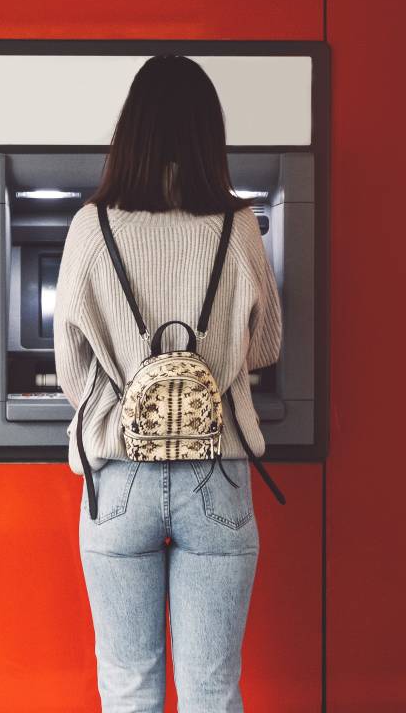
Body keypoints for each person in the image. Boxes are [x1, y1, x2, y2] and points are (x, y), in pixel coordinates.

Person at [52, 54, 283, 712]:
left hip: (119, 479)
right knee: (212, 691)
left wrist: (124, 392)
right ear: (209, 135)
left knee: (129, 689)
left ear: (131, 132)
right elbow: (265, 345)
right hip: (218, 476)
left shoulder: (89, 228)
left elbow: (71, 365)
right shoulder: (239, 227)